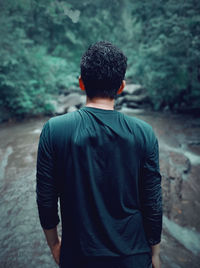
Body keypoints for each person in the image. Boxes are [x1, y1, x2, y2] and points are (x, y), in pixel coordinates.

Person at [36, 41, 162, 268]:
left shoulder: (54, 130)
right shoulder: (144, 134)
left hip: (79, 257)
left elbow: (46, 201)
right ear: (121, 87)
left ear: (81, 83)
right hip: (133, 257)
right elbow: (152, 203)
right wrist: (155, 254)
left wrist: (54, 245)